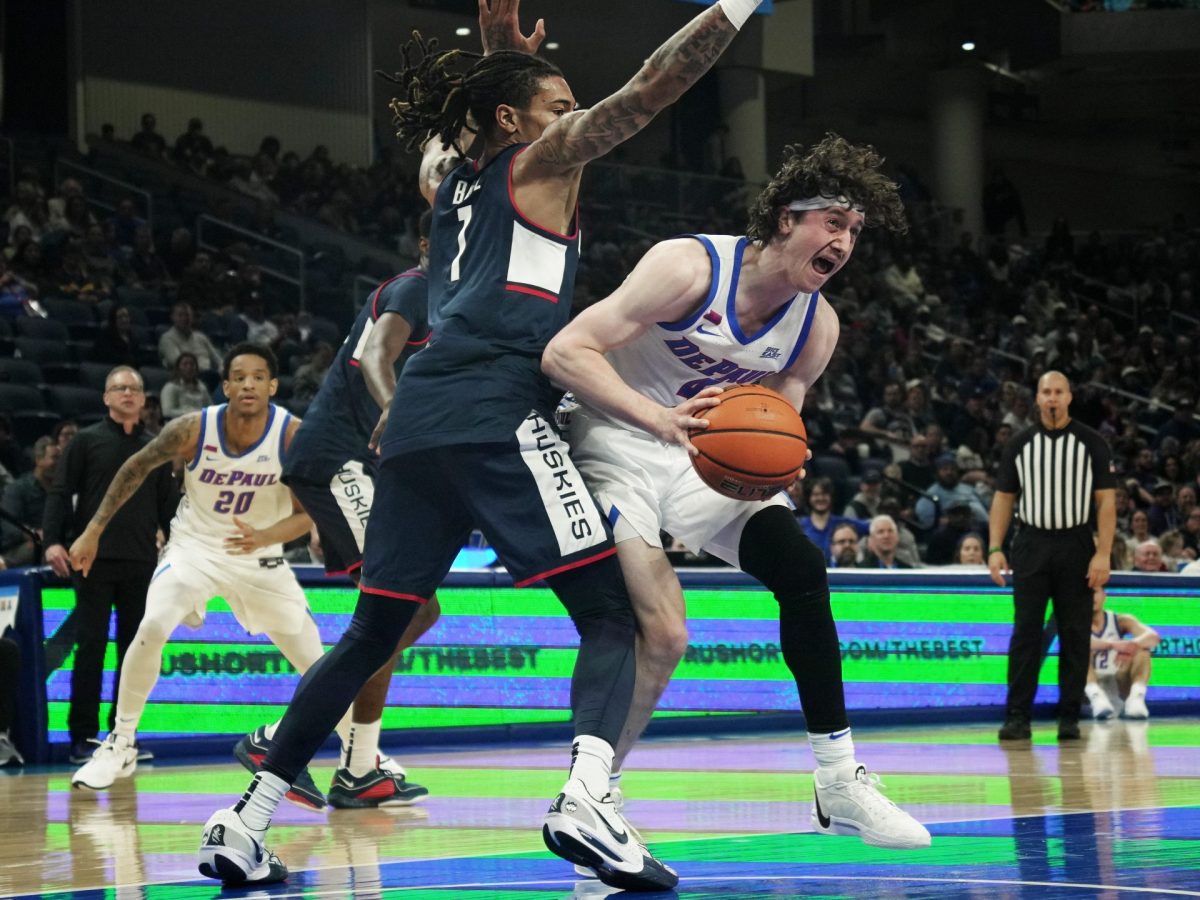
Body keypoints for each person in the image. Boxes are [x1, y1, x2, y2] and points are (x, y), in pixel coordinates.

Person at [198, 0, 759, 890]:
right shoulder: (539, 160)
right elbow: (652, 90)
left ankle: (245, 818)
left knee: (371, 631)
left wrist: (502, 59)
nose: (574, 115)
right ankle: (587, 800)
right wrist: (734, 5)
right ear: (516, 121)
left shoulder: (457, 184)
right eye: (558, 102)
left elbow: (491, 122)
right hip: (496, 405)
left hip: (416, 418)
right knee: (615, 615)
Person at [543, 132, 929, 853]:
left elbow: (776, 429)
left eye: (855, 232)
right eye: (834, 223)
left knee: (803, 569)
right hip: (618, 440)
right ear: (787, 218)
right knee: (664, 633)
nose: (844, 243)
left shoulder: (818, 326)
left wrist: (782, 462)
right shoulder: (688, 267)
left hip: (698, 456)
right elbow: (565, 351)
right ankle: (598, 791)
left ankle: (839, 780)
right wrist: (656, 415)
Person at [67, 344, 349, 810]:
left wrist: (267, 535)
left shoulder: (292, 436)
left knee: (315, 660)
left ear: (273, 387)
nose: (248, 385)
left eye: (259, 377)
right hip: (194, 549)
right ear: (226, 386)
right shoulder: (193, 429)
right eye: (239, 377)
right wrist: (93, 530)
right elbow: (135, 467)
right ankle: (121, 742)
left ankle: (362, 756)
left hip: (259, 558)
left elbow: (306, 513)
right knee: (153, 624)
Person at [265, 208, 440, 809]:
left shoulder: (449, 307)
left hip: (354, 470)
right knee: (407, 610)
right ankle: (280, 738)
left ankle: (360, 768)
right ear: (425, 241)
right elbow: (372, 359)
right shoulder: (415, 288)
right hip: (341, 460)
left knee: (402, 614)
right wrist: (392, 411)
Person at [42, 367, 179, 763]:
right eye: (120, 388)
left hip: (141, 561)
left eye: (135, 389)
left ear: (143, 398)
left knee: (134, 653)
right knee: (91, 649)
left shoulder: (156, 447)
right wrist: (53, 541)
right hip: (93, 563)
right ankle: (82, 738)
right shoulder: (86, 442)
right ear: (106, 397)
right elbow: (60, 491)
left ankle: (124, 736)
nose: (128, 394)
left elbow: (169, 507)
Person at [990, 371, 1116, 742]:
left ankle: (1069, 717)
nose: (1052, 398)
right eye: (1046, 392)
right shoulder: (1020, 443)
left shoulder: (1092, 442)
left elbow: (1106, 501)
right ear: (1038, 399)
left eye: (1059, 391)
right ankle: (1017, 717)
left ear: (1070, 397)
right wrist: (996, 548)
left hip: (1076, 543)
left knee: (1075, 633)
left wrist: (1104, 553)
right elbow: (1003, 499)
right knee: (1026, 632)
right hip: (1031, 542)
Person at [1084, 587, 1159, 720]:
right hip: (1086, 694)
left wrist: (1132, 645)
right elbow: (1075, 641)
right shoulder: (1073, 622)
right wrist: (1112, 645)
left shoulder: (1120, 620)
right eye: (1086, 593)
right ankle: (1095, 696)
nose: (1091, 597)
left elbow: (1153, 637)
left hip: (1117, 684)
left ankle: (1136, 697)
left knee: (1142, 650)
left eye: (1095, 592)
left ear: (1104, 595)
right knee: (1079, 651)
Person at [1, 436, 59, 567]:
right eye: (55, 458)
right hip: (24, 546)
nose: (59, 463)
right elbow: (8, 527)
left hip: (56, 542)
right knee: (40, 547)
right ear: (39, 460)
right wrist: (33, 534)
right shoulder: (17, 489)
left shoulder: (62, 491)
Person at [799, 477, 868, 563]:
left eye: (824, 494)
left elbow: (874, 527)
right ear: (809, 498)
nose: (820, 498)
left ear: (831, 497)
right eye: (816, 494)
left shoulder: (844, 524)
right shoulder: (799, 526)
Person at [158, 302, 222, 373]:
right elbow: (179, 364)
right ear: (172, 317)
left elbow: (218, 360)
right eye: (180, 315)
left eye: (187, 315)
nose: (184, 318)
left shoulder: (201, 337)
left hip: (210, 375)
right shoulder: (167, 339)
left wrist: (222, 371)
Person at [160, 352, 212, 419]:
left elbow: (210, 408)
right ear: (178, 368)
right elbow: (167, 412)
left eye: (192, 364)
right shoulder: (170, 387)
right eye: (185, 364)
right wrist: (192, 413)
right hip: (179, 425)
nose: (189, 367)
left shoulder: (201, 387)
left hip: (201, 423)